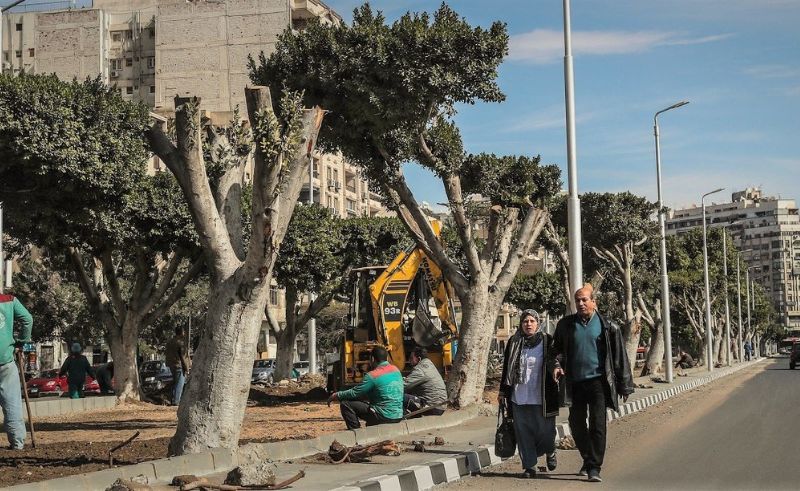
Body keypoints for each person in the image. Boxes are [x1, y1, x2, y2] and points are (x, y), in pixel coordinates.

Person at [548, 284, 635, 483]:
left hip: (598, 382)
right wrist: (556, 365)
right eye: (577, 300)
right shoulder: (565, 325)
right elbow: (555, 351)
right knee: (576, 424)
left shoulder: (608, 326)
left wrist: (625, 385)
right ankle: (588, 458)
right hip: (575, 383)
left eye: (584, 299)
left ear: (594, 302)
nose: (580, 303)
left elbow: (620, 358)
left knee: (597, 424)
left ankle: (594, 467)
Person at [498, 309, 559, 479]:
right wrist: (503, 391)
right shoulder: (514, 341)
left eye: (532, 321)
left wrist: (557, 368)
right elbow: (506, 369)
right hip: (518, 396)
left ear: (538, 323)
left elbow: (556, 359)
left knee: (547, 432)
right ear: (521, 324)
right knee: (523, 433)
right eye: (525, 321)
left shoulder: (547, 341)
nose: (529, 324)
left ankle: (550, 450)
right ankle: (529, 466)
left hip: (543, 396)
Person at [327, 346, 403, 429]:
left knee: (346, 404)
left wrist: (337, 395)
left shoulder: (372, 375)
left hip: (383, 416)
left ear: (372, 359)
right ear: (387, 358)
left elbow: (355, 393)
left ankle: (357, 434)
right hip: (398, 416)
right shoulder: (396, 370)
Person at [0, 293, 33, 450]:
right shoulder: (9, 300)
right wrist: (21, 341)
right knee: (12, 403)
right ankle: (17, 443)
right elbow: (27, 320)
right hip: (5, 360)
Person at [403, 347, 447, 416]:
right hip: (440, 406)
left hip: (432, 407)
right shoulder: (429, 365)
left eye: (411, 358)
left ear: (419, 359)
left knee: (399, 396)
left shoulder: (420, 369)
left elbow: (403, 385)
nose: (409, 361)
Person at [165, 326, 191, 406]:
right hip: (179, 365)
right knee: (180, 384)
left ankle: (172, 400)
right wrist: (187, 368)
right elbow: (183, 357)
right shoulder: (181, 342)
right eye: (184, 332)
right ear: (182, 332)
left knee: (175, 383)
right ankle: (176, 401)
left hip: (171, 365)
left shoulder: (170, 341)